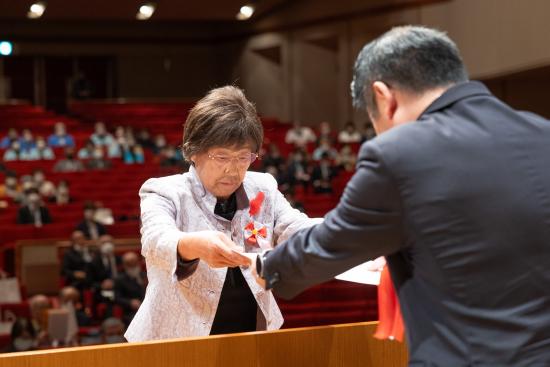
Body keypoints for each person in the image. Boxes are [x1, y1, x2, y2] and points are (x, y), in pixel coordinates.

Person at [253, 26, 550, 366]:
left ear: (384, 97)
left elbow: (329, 245)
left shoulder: (398, 153)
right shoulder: (543, 133)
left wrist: (266, 267)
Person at [124, 85, 321, 342]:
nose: (233, 169)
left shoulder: (263, 188)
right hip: (174, 341)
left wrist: (344, 232)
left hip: (252, 334)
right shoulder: (163, 191)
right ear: (193, 151)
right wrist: (195, 244)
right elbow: (156, 240)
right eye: (221, 157)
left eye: (243, 157)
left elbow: (296, 228)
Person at [114, 252, 146, 326]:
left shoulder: (145, 275)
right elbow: (117, 298)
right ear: (125, 265)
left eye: (134, 263)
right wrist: (130, 302)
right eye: (129, 264)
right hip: (131, 312)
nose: (133, 266)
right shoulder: (120, 280)